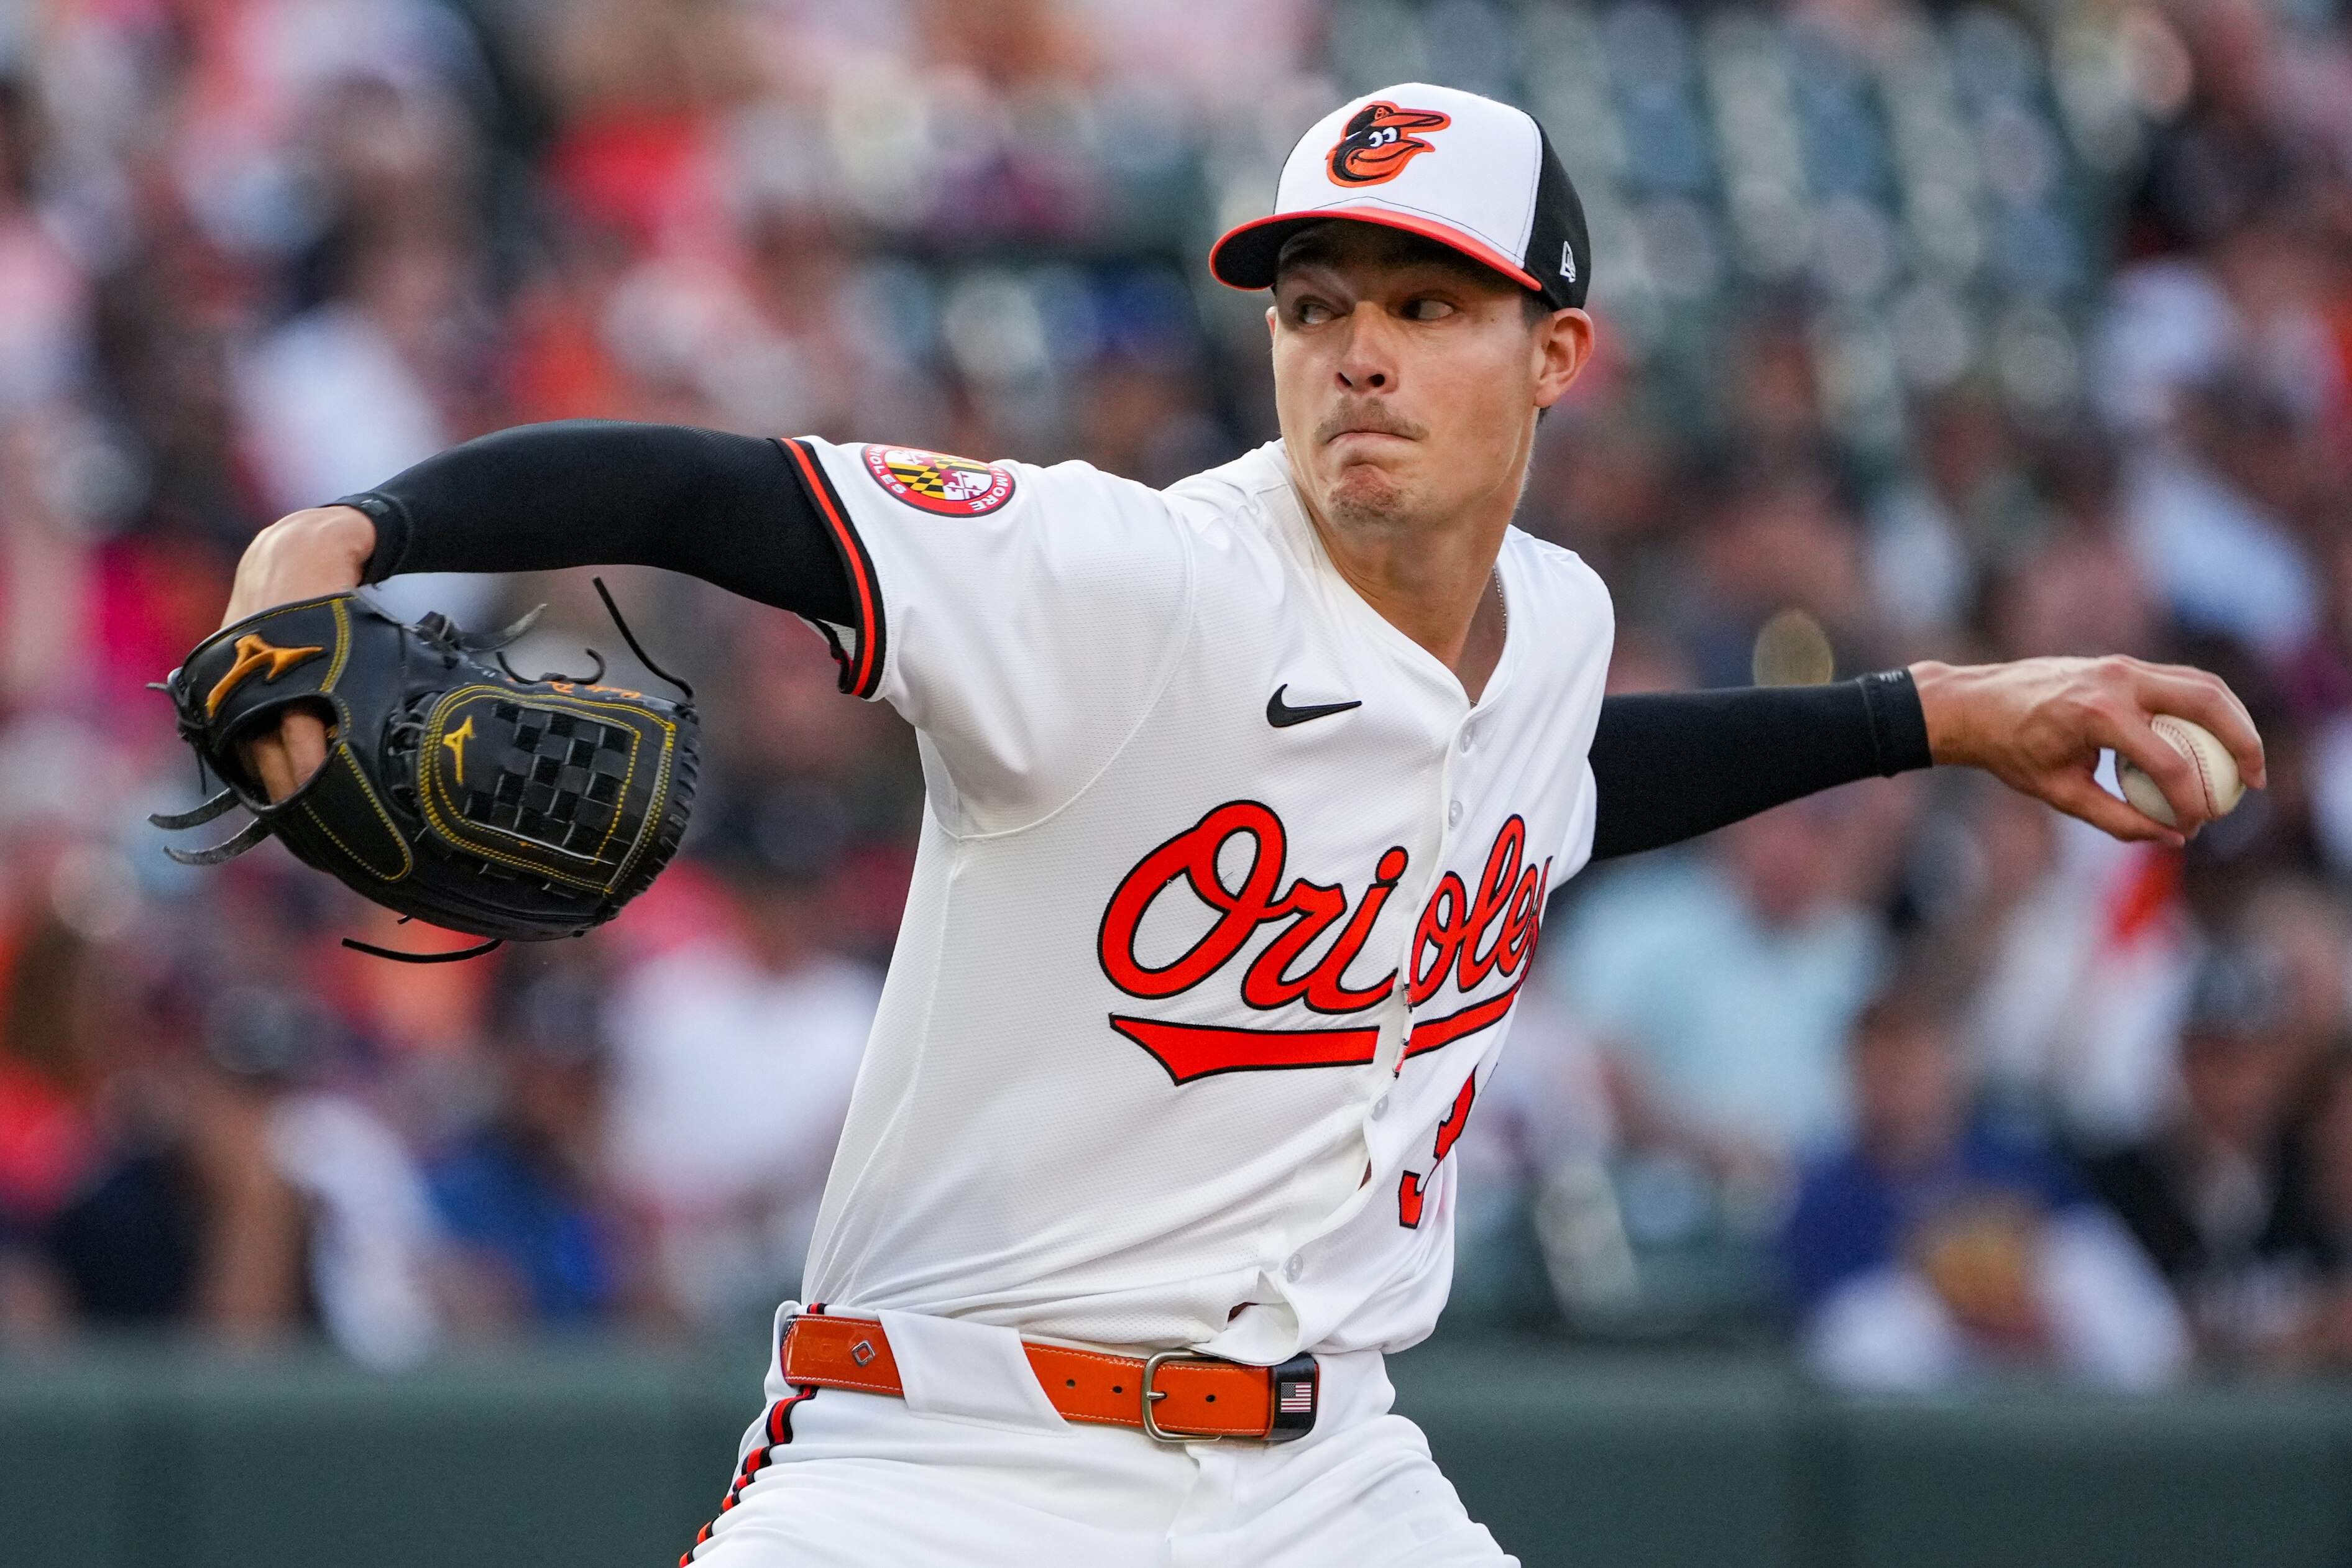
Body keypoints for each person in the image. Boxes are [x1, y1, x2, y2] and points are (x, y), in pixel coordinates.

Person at [206, 83, 2261, 1568]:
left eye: (1423, 302)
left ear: (1554, 355)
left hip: (1322, 1475)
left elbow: (1544, 796)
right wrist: (341, 534)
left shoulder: (1553, 624)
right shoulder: (1123, 581)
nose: (1355, 348)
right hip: (948, 1457)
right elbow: (696, 491)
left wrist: (1936, 714)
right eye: (1312, 302)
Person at [1782, 983, 2187, 1391]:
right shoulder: (1825, 1195)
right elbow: (1837, 1339)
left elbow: (2125, 1312)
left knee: (2086, 1269)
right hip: (1917, 1409)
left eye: (1910, 1066)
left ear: (1951, 1067)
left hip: (2053, 1375)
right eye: (1881, 1071)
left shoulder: (2022, 1162)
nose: (1895, 1089)